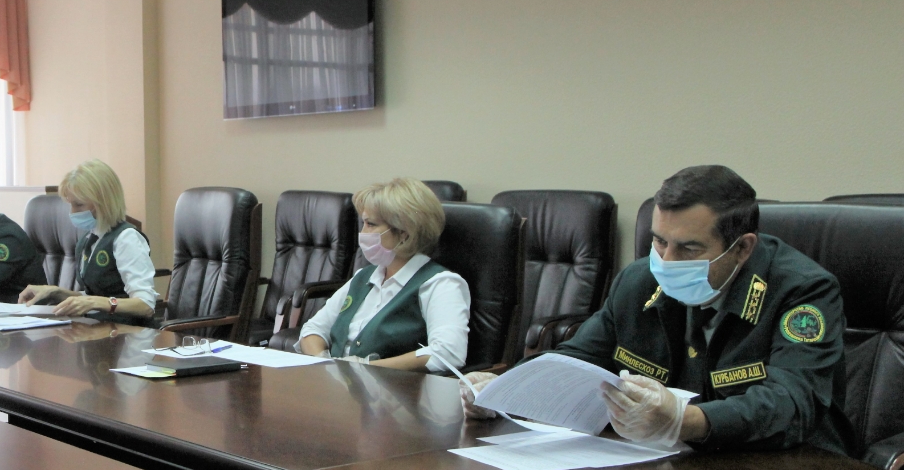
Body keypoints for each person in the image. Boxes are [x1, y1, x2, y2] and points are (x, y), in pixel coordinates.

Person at [461, 165, 850, 454]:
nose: (667, 260)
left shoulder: (802, 291)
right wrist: (502, 390)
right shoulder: (639, 282)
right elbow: (576, 358)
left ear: (743, 248)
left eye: (689, 248)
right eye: (660, 241)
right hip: (672, 466)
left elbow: (793, 403)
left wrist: (683, 420)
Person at [297, 177, 470, 371]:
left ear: (404, 233)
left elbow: (448, 352)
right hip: (336, 382)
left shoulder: (440, 284)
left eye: (371, 224)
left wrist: (367, 369)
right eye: (363, 223)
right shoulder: (363, 277)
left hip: (393, 388)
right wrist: (323, 362)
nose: (363, 232)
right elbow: (313, 330)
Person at [17, 159, 157, 323]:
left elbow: (145, 305)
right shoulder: (88, 240)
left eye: (79, 205)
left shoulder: (126, 238)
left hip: (127, 330)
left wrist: (97, 303)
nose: (72, 212)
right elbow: (91, 297)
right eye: (71, 204)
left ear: (103, 203)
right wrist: (54, 292)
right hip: (96, 327)